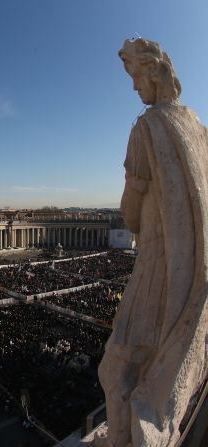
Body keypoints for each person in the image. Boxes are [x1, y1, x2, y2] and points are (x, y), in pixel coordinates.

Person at [97, 38, 208, 447]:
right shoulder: (198, 127)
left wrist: (135, 221)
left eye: (135, 77)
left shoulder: (148, 126)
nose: (133, 88)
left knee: (117, 369)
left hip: (157, 267)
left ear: (154, 73)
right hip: (191, 278)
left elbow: (129, 207)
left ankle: (125, 439)